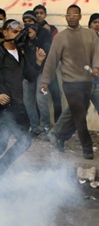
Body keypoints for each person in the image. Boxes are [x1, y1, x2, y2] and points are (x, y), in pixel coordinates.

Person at [0, 19, 45, 178]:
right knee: (1, 144)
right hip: (4, 108)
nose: (18, 35)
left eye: (20, 32)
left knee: (24, 142)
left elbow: (30, 77)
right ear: (5, 32)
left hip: (18, 106)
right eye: (14, 31)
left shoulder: (21, 53)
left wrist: (38, 62)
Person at [40, 5, 99, 160]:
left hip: (88, 82)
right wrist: (45, 81)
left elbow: (97, 53)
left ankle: (58, 136)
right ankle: (87, 149)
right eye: (69, 14)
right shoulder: (60, 37)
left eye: (75, 14)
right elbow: (52, 61)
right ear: (66, 17)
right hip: (71, 84)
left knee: (75, 114)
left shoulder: (90, 35)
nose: (72, 17)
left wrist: (96, 67)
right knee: (79, 116)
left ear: (80, 17)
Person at [20, 10, 52, 138]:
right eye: (25, 22)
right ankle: (34, 128)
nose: (28, 25)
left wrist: (34, 39)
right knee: (28, 101)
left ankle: (45, 128)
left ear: (35, 22)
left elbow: (46, 50)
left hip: (43, 73)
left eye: (30, 21)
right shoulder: (23, 34)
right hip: (28, 73)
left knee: (42, 100)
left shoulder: (44, 32)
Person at [34, 4, 63, 123]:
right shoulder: (32, 29)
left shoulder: (52, 29)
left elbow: (55, 47)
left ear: (45, 14)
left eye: (41, 13)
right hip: (38, 71)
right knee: (40, 98)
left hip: (50, 70)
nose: (39, 15)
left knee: (56, 97)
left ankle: (58, 124)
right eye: (37, 13)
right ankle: (42, 125)